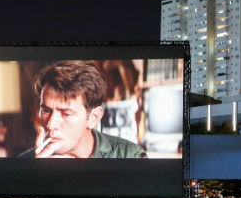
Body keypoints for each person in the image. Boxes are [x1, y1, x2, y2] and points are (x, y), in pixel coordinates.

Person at [18, 60, 147, 159]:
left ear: (93, 118)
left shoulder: (129, 156)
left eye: (66, 113)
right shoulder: (25, 163)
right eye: (46, 110)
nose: (51, 124)